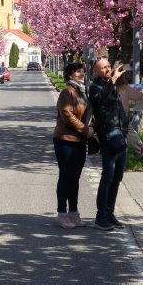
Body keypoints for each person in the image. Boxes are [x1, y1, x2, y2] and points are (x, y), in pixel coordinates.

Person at [88, 58, 129, 231]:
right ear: (96, 71)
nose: (107, 69)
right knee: (108, 176)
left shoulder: (110, 84)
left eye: (108, 66)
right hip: (108, 136)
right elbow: (98, 100)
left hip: (120, 134)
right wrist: (112, 80)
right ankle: (101, 216)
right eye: (103, 67)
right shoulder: (95, 86)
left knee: (118, 177)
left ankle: (110, 213)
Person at [53, 62, 94, 229]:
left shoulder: (81, 92)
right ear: (69, 75)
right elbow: (67, 115)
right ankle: (62, 214)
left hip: (79, 140)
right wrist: (85, 129)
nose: (82, 74)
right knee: (66, 176)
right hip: (65, 139)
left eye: (83, 71)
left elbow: (88, 113)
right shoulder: (67, 92)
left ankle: (74, 212)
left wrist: (91, 128)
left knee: (75, 177)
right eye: (78, 71)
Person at [115, 70, 143, 155]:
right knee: (131, 134)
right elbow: (138, 96)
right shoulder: (125, 88)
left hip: (109, 116)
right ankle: (141, 150)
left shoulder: (109, 86)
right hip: (121, 116)